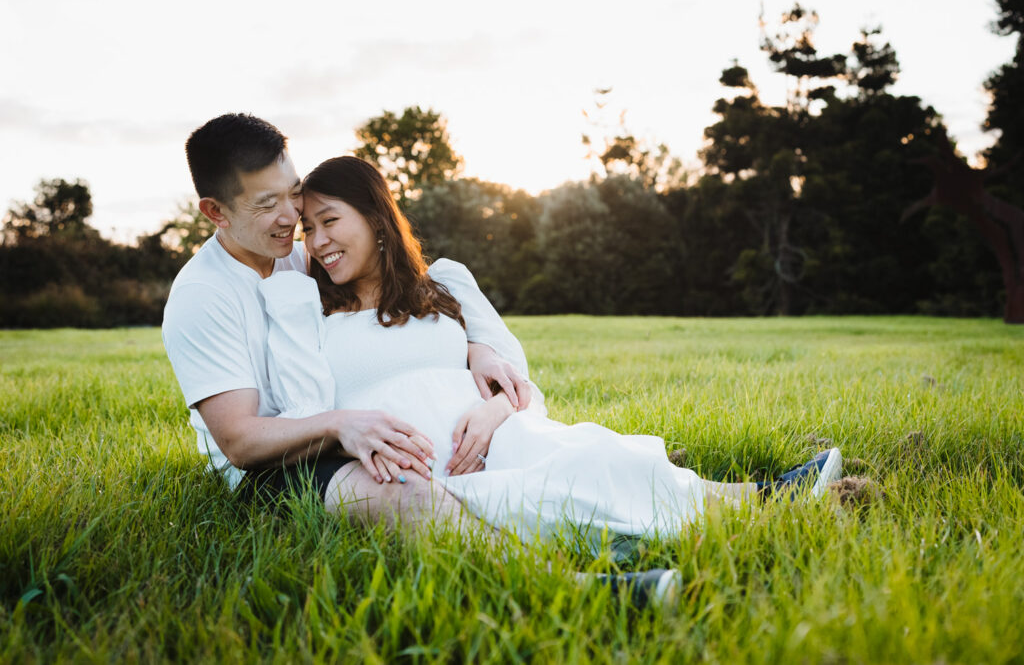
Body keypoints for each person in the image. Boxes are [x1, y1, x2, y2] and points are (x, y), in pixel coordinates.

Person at [257, 155, 844, 554]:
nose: (320, 241)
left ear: (378, 219)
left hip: (496, 434)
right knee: (529, 500)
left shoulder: (447, 283)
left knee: (591, 456)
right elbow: (303, 408)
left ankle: (754, 499)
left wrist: (491, 413)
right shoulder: (307, 310)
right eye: (309, 229)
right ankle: (659, 542)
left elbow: (517, 380)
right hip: (417, 468)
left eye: (330, 221)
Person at [162, 114, 535, 529]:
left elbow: (406, 292)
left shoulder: (294, 253)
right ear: (216, 212)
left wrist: (477, 346)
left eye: (294, 193)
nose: (291, 217)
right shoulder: (203, 295)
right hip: (273, 466)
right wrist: (341, 426)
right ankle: (573, 587)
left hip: (337, 433)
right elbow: (239, 441)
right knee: (408, 492)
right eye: (267, 204)